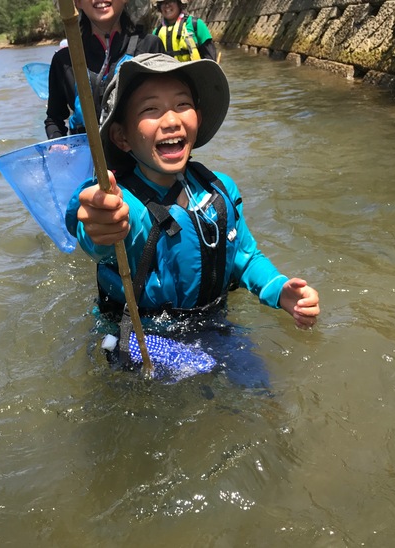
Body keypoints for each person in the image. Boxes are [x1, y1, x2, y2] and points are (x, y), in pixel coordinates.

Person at [65, 53, 320, 377]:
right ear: (122, 137)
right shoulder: (125, 204)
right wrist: (98, 220)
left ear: (198, 118)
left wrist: (279, 291)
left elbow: (244, 255)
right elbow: (98, 237)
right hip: (143, 337)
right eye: (150, 109)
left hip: (211, 322)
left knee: (261, 389)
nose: (171, 120)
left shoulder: (220, 189)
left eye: (182, 105)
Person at [44, 0, 165, 140]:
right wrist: (57, 144)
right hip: (88, 157)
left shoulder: (150, 47)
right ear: (77, 3)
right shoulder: (64, 60)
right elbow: (54, 119)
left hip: (137, 156)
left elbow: (168, 109)